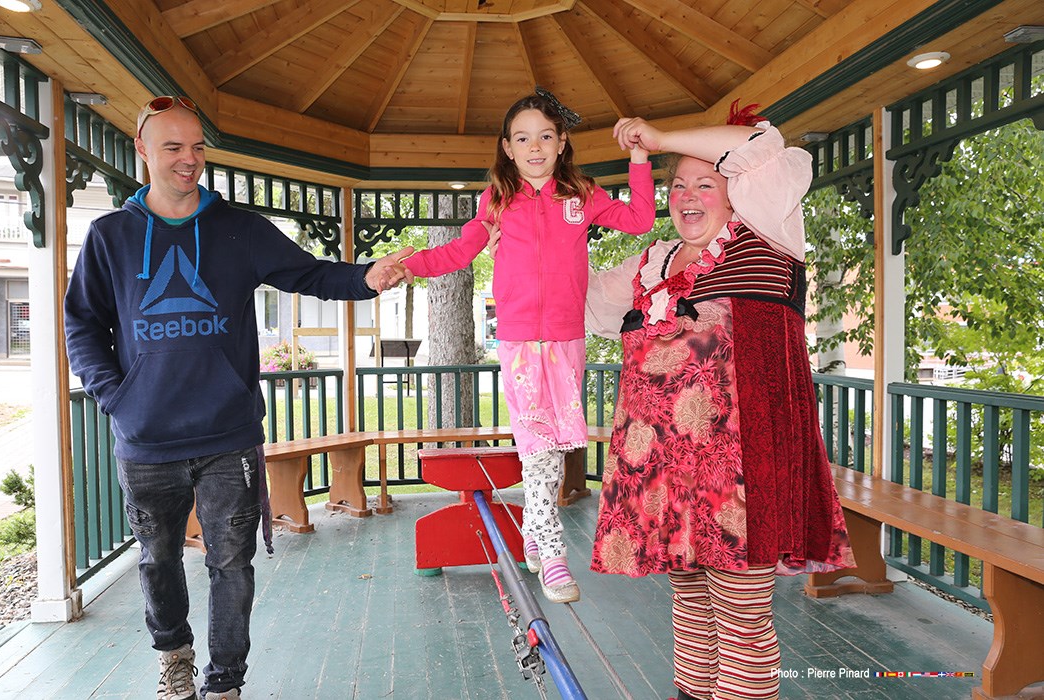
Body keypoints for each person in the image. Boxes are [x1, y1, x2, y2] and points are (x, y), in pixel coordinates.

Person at [63, 95, 413, 700]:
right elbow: (83, 325)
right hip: (146, 439)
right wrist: (115, 397)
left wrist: (365, 277)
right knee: (158, 560)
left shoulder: (239, 229)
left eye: (197, 147)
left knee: (232, 565)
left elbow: (309, 275)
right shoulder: (110, 236)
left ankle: (225, 682)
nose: (189, 160)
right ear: (142, 149)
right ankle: (174, 654)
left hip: (229, 434)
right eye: (173, 148)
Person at [585, 106, 855, 700]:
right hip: (668, 474)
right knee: (692, 609)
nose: (686, 194)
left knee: (741, 616)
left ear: (736, 195)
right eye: (676, 184)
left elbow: (761, 146)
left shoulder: (770, 230)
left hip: (745, 468)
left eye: (705, 182)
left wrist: (657, 139)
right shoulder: (652, 264)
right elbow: (573, 300)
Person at [403, 88, 656, 604]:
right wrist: (407, 266)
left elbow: (640, 220)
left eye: (545, 136)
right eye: (523, 138)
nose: (535, 147)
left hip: (566, 338)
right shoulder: (497, 200)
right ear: (507, 147)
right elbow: (458, 251)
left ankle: (536, 534)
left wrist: (639, 158)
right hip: (519, 341)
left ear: (562, 142)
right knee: (538, 447)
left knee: (560, 443)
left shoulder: (581, 195)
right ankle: (553, 551)